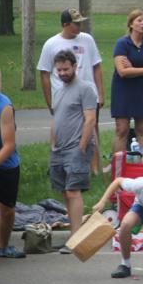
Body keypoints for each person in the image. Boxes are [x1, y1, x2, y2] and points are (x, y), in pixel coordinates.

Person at [37, 9, 104, 172]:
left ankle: (94, 167)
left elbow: (97, 66)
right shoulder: (51, 44)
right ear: (66, 24)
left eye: (81, 22)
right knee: (62, 130)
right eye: (76, 23)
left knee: (92, 128)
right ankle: (58, 164)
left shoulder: (87, 40)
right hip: (63, 95)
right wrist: (50, 101)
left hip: (88, 94)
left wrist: (100, 93)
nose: (80, 26)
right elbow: (44, 74)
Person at [48, 49, 98, 253]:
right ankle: (72, 235)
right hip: (59, 149)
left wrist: (82, 146)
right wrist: (53, 143)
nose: (62, 73)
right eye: (59, 70)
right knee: (64, 192)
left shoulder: (85, 88)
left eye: (65, 69)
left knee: (73, 190)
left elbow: (90, 119)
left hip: (77, 147)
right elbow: (56, 118)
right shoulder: (58, 90)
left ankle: (77, 238)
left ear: (75, 66)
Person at [110, 9, 143, 153]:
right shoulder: (122, 44)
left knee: (142, 129)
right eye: (139, 20)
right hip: (122, 90)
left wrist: (133, 68)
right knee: (122, 129)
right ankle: (118, 164)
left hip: (142, 90)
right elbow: (122, 72)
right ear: (131, 24)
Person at [0, 90, 24, 258]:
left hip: (6, 163)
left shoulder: (4, 106)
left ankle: (3, 246)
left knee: (6, 210)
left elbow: (9, 145)